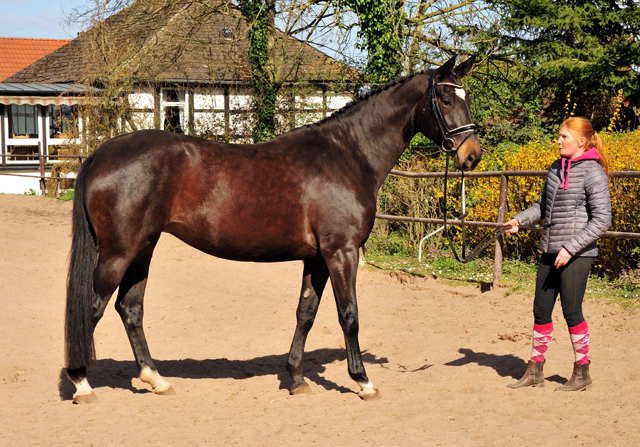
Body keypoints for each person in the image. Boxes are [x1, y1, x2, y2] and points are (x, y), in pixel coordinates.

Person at [503, 116, 611, 391]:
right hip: (550, 249)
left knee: (572, 312)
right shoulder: (554, 168)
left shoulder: (593, 173)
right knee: (541, 310)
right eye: (559, 135)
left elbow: (602, 220)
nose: (559, 140)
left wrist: (570, 248)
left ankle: (582, 371)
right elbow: (542, 206)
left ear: (581, 141)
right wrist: (518, 220)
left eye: (564, 136)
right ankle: (535, 370)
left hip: (578, 253)